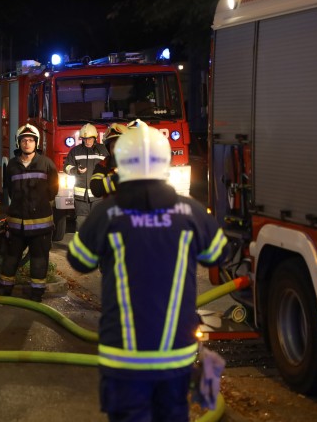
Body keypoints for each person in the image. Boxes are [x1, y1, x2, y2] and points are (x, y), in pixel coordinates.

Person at [67, 120, 229, 422]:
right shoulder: (191, 212)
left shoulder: (107, 213)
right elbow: (219, 253)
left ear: (121, 162)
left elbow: (78, 261)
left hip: (124, 355)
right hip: (177, 355)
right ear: (164, 161)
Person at [0, 124, 58, 302]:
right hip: (17, 223)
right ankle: (5, 289)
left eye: (31, 140)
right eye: (24, 140)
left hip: (40, 224)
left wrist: (38, 202)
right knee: (11, 257)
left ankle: (37, 293)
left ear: (36, 143)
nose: (27, 143)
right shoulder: (12, 165)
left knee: (39, 259)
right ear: (19, 143)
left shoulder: (46, 163)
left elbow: (53, 189)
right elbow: (8, 188)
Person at [63, 123, 108, 230]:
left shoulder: (103, 150)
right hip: (81, 198)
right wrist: (76, 170)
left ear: (95, 138)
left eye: (89, 139)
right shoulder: (75, 151)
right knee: (81, 223)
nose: (87, 141)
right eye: (84, 139)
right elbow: (66, 167)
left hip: (99, 196)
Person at [89, 123, 127, 199]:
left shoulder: (138, 162)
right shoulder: (103, 165)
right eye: (113, 146)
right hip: (111, 207)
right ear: (108, 149)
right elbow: (96, 189)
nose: (116, 150)